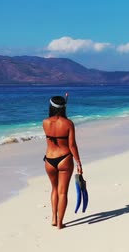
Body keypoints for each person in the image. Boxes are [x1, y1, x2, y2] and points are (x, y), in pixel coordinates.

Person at [42, 95, 82, 229]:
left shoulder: (45, 122)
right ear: (64, 107)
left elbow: (54, 132)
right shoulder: (68, 123)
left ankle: (53, 218)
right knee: (62, 192)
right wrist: (78, 162)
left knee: (54, 189)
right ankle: (60, 223)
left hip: (49, 160)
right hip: (64, 159)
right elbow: (72, 145)